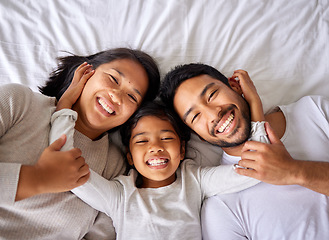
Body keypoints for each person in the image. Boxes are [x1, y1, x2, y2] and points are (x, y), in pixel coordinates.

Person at [45, 83, 268, 239]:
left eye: (167, 138)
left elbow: (254, 166)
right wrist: (65, 106)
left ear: (182, 150)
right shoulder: (120, 195)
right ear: (130, 157)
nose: (156, 147)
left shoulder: (195, 180)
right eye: (142, 141)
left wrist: (254, 103)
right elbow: (65, 164)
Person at [0, 48, 160, 240]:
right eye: (113, 79)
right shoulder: (18, 102)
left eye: (132, 97)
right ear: (86, 72)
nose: (117, 97)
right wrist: (39, 178)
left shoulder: (116, 168)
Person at [159, 63, 329, 239]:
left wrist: (295, 171)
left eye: (212, 95)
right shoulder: (220, 207)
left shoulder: (315, 111)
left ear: (235, 86)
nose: (213, 114)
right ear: (198, 136)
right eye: (195, 116)